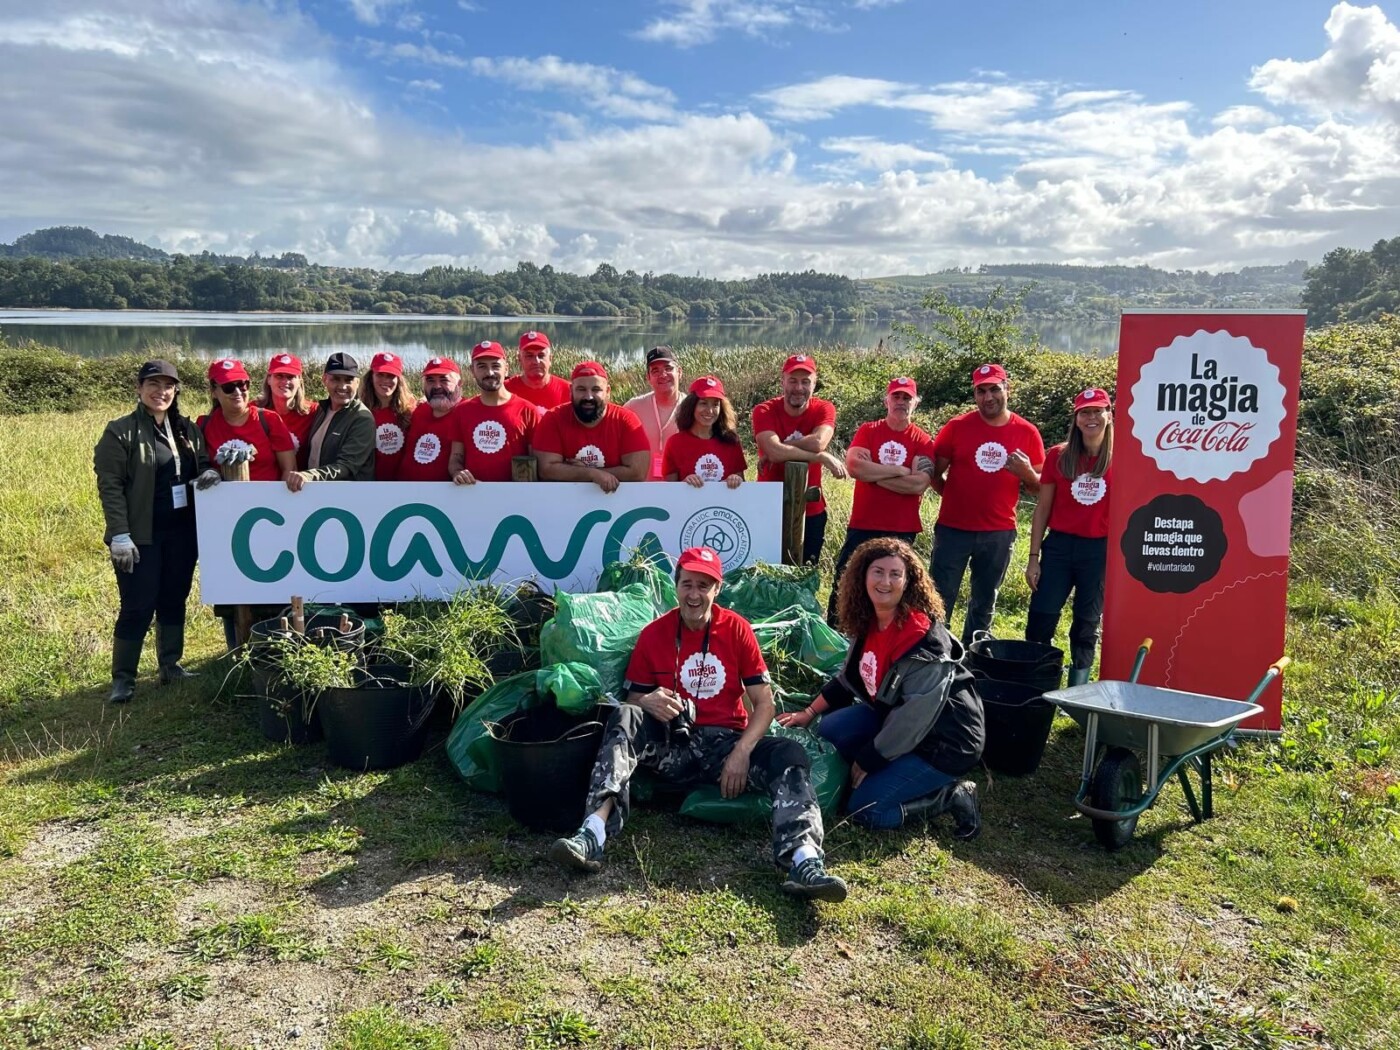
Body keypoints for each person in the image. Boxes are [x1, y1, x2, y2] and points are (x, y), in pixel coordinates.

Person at [550, 546, 848, 902]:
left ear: (717, 589)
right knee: (626, 716)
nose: (694, 594)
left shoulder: (737, 629)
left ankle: (804, 861)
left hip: (726, 746)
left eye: (704, 585)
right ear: (676, 586)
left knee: (789, 751)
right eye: (687, 584)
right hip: (672, 747)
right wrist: (647, 702)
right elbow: (631, 703)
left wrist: (742, 752)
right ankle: (593, 833)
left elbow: (765, 704)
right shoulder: (654, 634)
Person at [778, 537, 984, 835]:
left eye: (895, 574)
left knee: (865, 810)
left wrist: (871, 757)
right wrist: (809, 712)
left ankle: (949, 795)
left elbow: (913, 719)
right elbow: (849, 678)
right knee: (829, 729)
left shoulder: (922, 643)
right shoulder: (870, 620)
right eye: (877, 571)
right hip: (894, 716)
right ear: (862, 576)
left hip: (943, 741)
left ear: (908, 581)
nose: (885, 581)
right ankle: (889, 771)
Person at [93, 359, 220, 703]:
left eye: (167, 386)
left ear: (176, 390)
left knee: (173, 598)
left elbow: (204, 461)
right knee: (137, 605)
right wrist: (119, 534)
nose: (160, 391)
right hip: (141, 536)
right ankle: (123, 679)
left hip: (182, 533)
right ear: (138, 388)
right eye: (152, 384)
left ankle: (170, 665)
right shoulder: (120, 432)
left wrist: (209, 473)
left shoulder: (185, 429)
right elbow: (111, 487)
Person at [925, 363, 1045, 645]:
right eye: (981, 391)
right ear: (975, 394)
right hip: (953, 529)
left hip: (999, 532)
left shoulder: (1027, 432)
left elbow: (1040, 487)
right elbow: (933, 472)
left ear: (1007, 389)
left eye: (994, 389)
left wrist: (1027, 473)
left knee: (985, 600)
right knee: (939, 596)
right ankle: (935, 652)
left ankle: (974, 655)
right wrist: (952, 497)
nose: (988, 397)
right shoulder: (956, 427)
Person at [827, 376, 937, 624]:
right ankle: (835, 633)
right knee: (846, 580)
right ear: (887, 400)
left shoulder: (922, 440)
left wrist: (873, 474)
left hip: (902, 527)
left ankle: (887, 634)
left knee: (895, 587)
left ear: (915, 403)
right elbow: (855, 466)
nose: (900, 402)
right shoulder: (869, 430)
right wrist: (900, 470)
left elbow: (919, 483)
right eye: (896, 396)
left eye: (906, 397)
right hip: (864, 523)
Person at [1025, 388, 1115, 686]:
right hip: (1060, 547)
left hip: (1099, 550)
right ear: (1076, 419)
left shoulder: (1122, 459)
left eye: (1097, 411)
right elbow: (1042, 509)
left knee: (1086, 626)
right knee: (1041, 617)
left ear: (1108, 415)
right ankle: (1040, 684)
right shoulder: (1058, 456)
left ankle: (1077, 692)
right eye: (1084, 413)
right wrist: (1033, 557)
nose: (1091, 418)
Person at [752, 354, 847, 565]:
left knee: (806, 573)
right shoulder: (764, 410)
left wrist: (778, 447)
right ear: (782, 381)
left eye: (805, 381)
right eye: (793, 380)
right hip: (769, 507)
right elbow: (778, 452)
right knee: (766, 573)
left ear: (814, 383)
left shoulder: (824, 408)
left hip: (811, 509)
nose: (799, 387)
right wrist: (820, 458)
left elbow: (818, 441)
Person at [533, 362, 650, 492]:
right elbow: (546, 469)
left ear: (608, 392)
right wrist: (591, 474)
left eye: (596, 389)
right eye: (581, 389)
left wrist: (584, 472)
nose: (588, 396)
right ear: (571, 390)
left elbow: (637, 472)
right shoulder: (553, 419)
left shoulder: (626, 420)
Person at [452, 340, 540, 484]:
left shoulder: (528, 411)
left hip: (516, 499)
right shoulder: (461, 411)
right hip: (472, 495)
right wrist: (457, 472)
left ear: (506, 368)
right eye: (482, 366)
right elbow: (456, 458)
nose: (490, 372)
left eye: (496, 366)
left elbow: (537, 462)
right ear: (472, 370)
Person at [286, 352, 375, 491]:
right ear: (324, 380)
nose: (342, 386)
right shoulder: (322, 410)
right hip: (319, 494)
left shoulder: (362, 419)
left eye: (349, 380)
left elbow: (346, 466)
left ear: (357, 383)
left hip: (349, 497)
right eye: (336, 379)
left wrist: (308, 476)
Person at [199, 358, 297, 483]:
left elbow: (289, 469)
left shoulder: (269, 420)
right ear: (213, 392)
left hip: (266, 501)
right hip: (223, 500)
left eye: (242, 385)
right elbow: (198, 466)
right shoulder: (204, 425)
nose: (238, 392)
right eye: (228, 387)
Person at [662, 375, 746, 488]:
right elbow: (668, 491)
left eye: (715, 404)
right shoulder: (675, 443)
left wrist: (736, 480)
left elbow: (743, 487)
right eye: (703, 403)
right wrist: (684, 485)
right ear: (692, 405)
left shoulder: (731, 441)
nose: (710, 411)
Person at [396, 356, 465, 482]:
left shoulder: (467, 412)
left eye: (444, 380)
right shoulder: (419, 411)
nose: (437, 386)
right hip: (405, 492)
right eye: (430, 380)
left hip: (445, 496)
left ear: (459, 383)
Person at [623, 345, 683, 480]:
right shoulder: (633, 407)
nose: (663, 375)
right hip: (642, 490)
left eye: (668, 368)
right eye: (655, 371)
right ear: (648, 377)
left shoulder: (691, 408)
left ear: (679, 372)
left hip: (680, 490)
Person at [361, 350, 417, 480]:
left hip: (403, 484)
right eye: (380, 375)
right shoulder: (360, 411)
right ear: (371, 377)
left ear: (399, 380)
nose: (385, 380)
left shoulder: (411, 409)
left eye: (391, 376)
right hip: (370, 484)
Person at [257, 352, 316, 454]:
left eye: (290, 377)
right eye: (279, 376)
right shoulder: (252, 411)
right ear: (269, 380)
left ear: (299, 381)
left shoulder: (314, 412)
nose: (285, 381)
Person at [505, 330, 571, 409]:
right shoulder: (505, 390)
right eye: (529, 356)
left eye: (541, 355)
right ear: (519, 359)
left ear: (550, 359)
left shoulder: (568, 391)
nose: (536, 361)